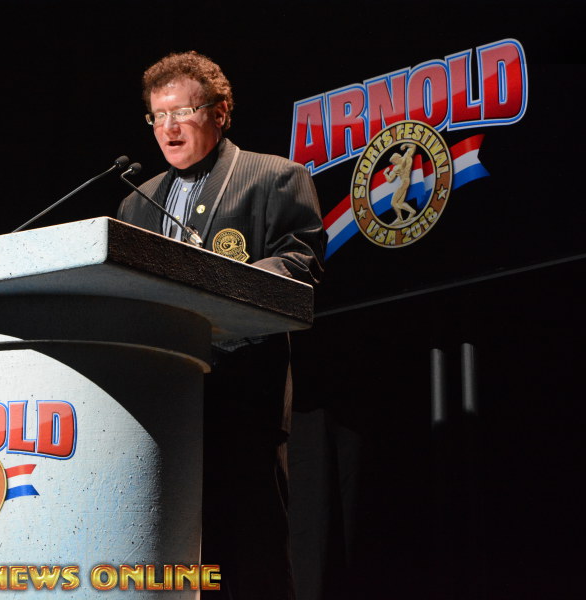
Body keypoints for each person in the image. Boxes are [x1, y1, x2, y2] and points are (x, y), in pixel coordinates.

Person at [117, 51, 325, 600]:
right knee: (175, 559)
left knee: (252, 559)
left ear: (220, 112)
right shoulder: (135, 203)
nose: (169, 127)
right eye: (158, 116)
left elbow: (300, 263)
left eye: (183, 112)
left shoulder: (274, 178)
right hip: (163, 405)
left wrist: (220, 286)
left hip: (242, 399)